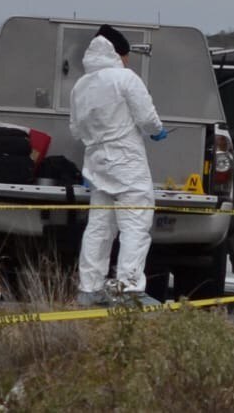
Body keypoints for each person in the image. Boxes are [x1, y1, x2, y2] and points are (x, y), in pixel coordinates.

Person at [68, 24, 167, 306]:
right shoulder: (125, 78)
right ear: (119, 54)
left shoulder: (81, 85)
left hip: (96, 162)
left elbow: (75, 129)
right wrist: (158, 131)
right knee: (135, 224)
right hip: (126, 160)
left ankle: (90, 289)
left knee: (99, 227)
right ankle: (129, 291)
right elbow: (147, 118)